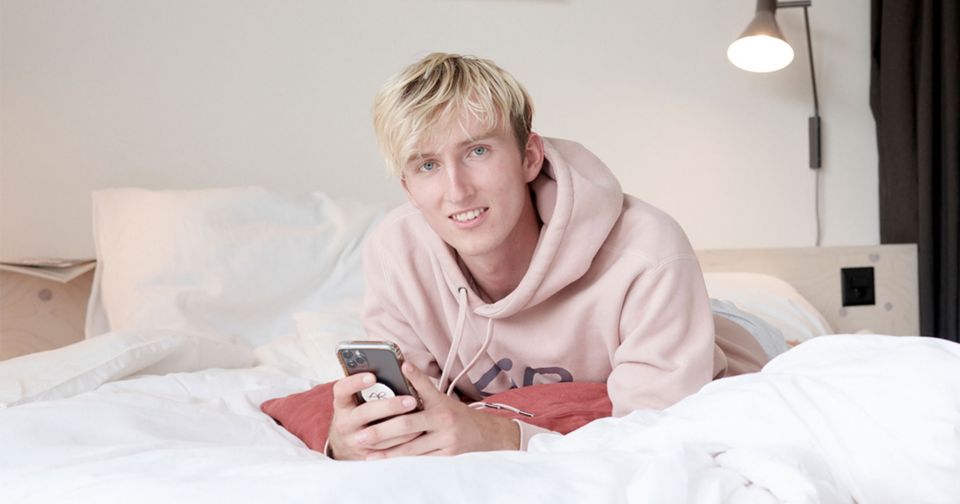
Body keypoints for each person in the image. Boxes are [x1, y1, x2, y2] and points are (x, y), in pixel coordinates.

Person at [326, 53, 768, 460]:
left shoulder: (648, 253)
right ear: (407, 188)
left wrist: (501, 436)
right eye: (428, 165)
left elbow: (657, 444)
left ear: (529, 158)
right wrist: (351, 444)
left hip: (718, 342)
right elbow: (411, 420)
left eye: (478, 151)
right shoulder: (395, 253)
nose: (457, 191)